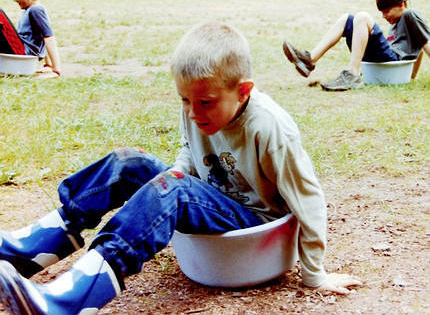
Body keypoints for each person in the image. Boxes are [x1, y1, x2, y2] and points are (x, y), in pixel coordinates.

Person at [0, 22, 361, 314]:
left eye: (205, 102)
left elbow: (309, 198)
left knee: (173, 188)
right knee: (129, 163)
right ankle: (32, 250)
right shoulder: (196, 106)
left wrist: (314, 273)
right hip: (208, 198)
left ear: (244, 91)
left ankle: (69, 300)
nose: (192, 112)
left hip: (254, 221)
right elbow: (190, 153)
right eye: (185, 100)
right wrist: (169, 180)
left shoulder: (270, 127)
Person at [282, 0, 430, 91]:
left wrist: (408, 76)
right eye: (381, 12)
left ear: (402, 4)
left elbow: (426, 43)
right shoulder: (396, 23)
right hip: (383, 59)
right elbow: (418, 46)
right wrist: (411, 76)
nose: (384, 16)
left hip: (392, 59)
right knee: (347, 19)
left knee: (363, 17)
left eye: (387, 11)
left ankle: (353, 72)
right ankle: (310, 59)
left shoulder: (410, 14)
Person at [0, 0, 61, 76]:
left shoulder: (36, 9)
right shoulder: (29, 9)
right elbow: (42, 36)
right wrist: (48, 64)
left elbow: (48, 37)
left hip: (23, 52)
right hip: (21, 51)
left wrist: (56, 70)